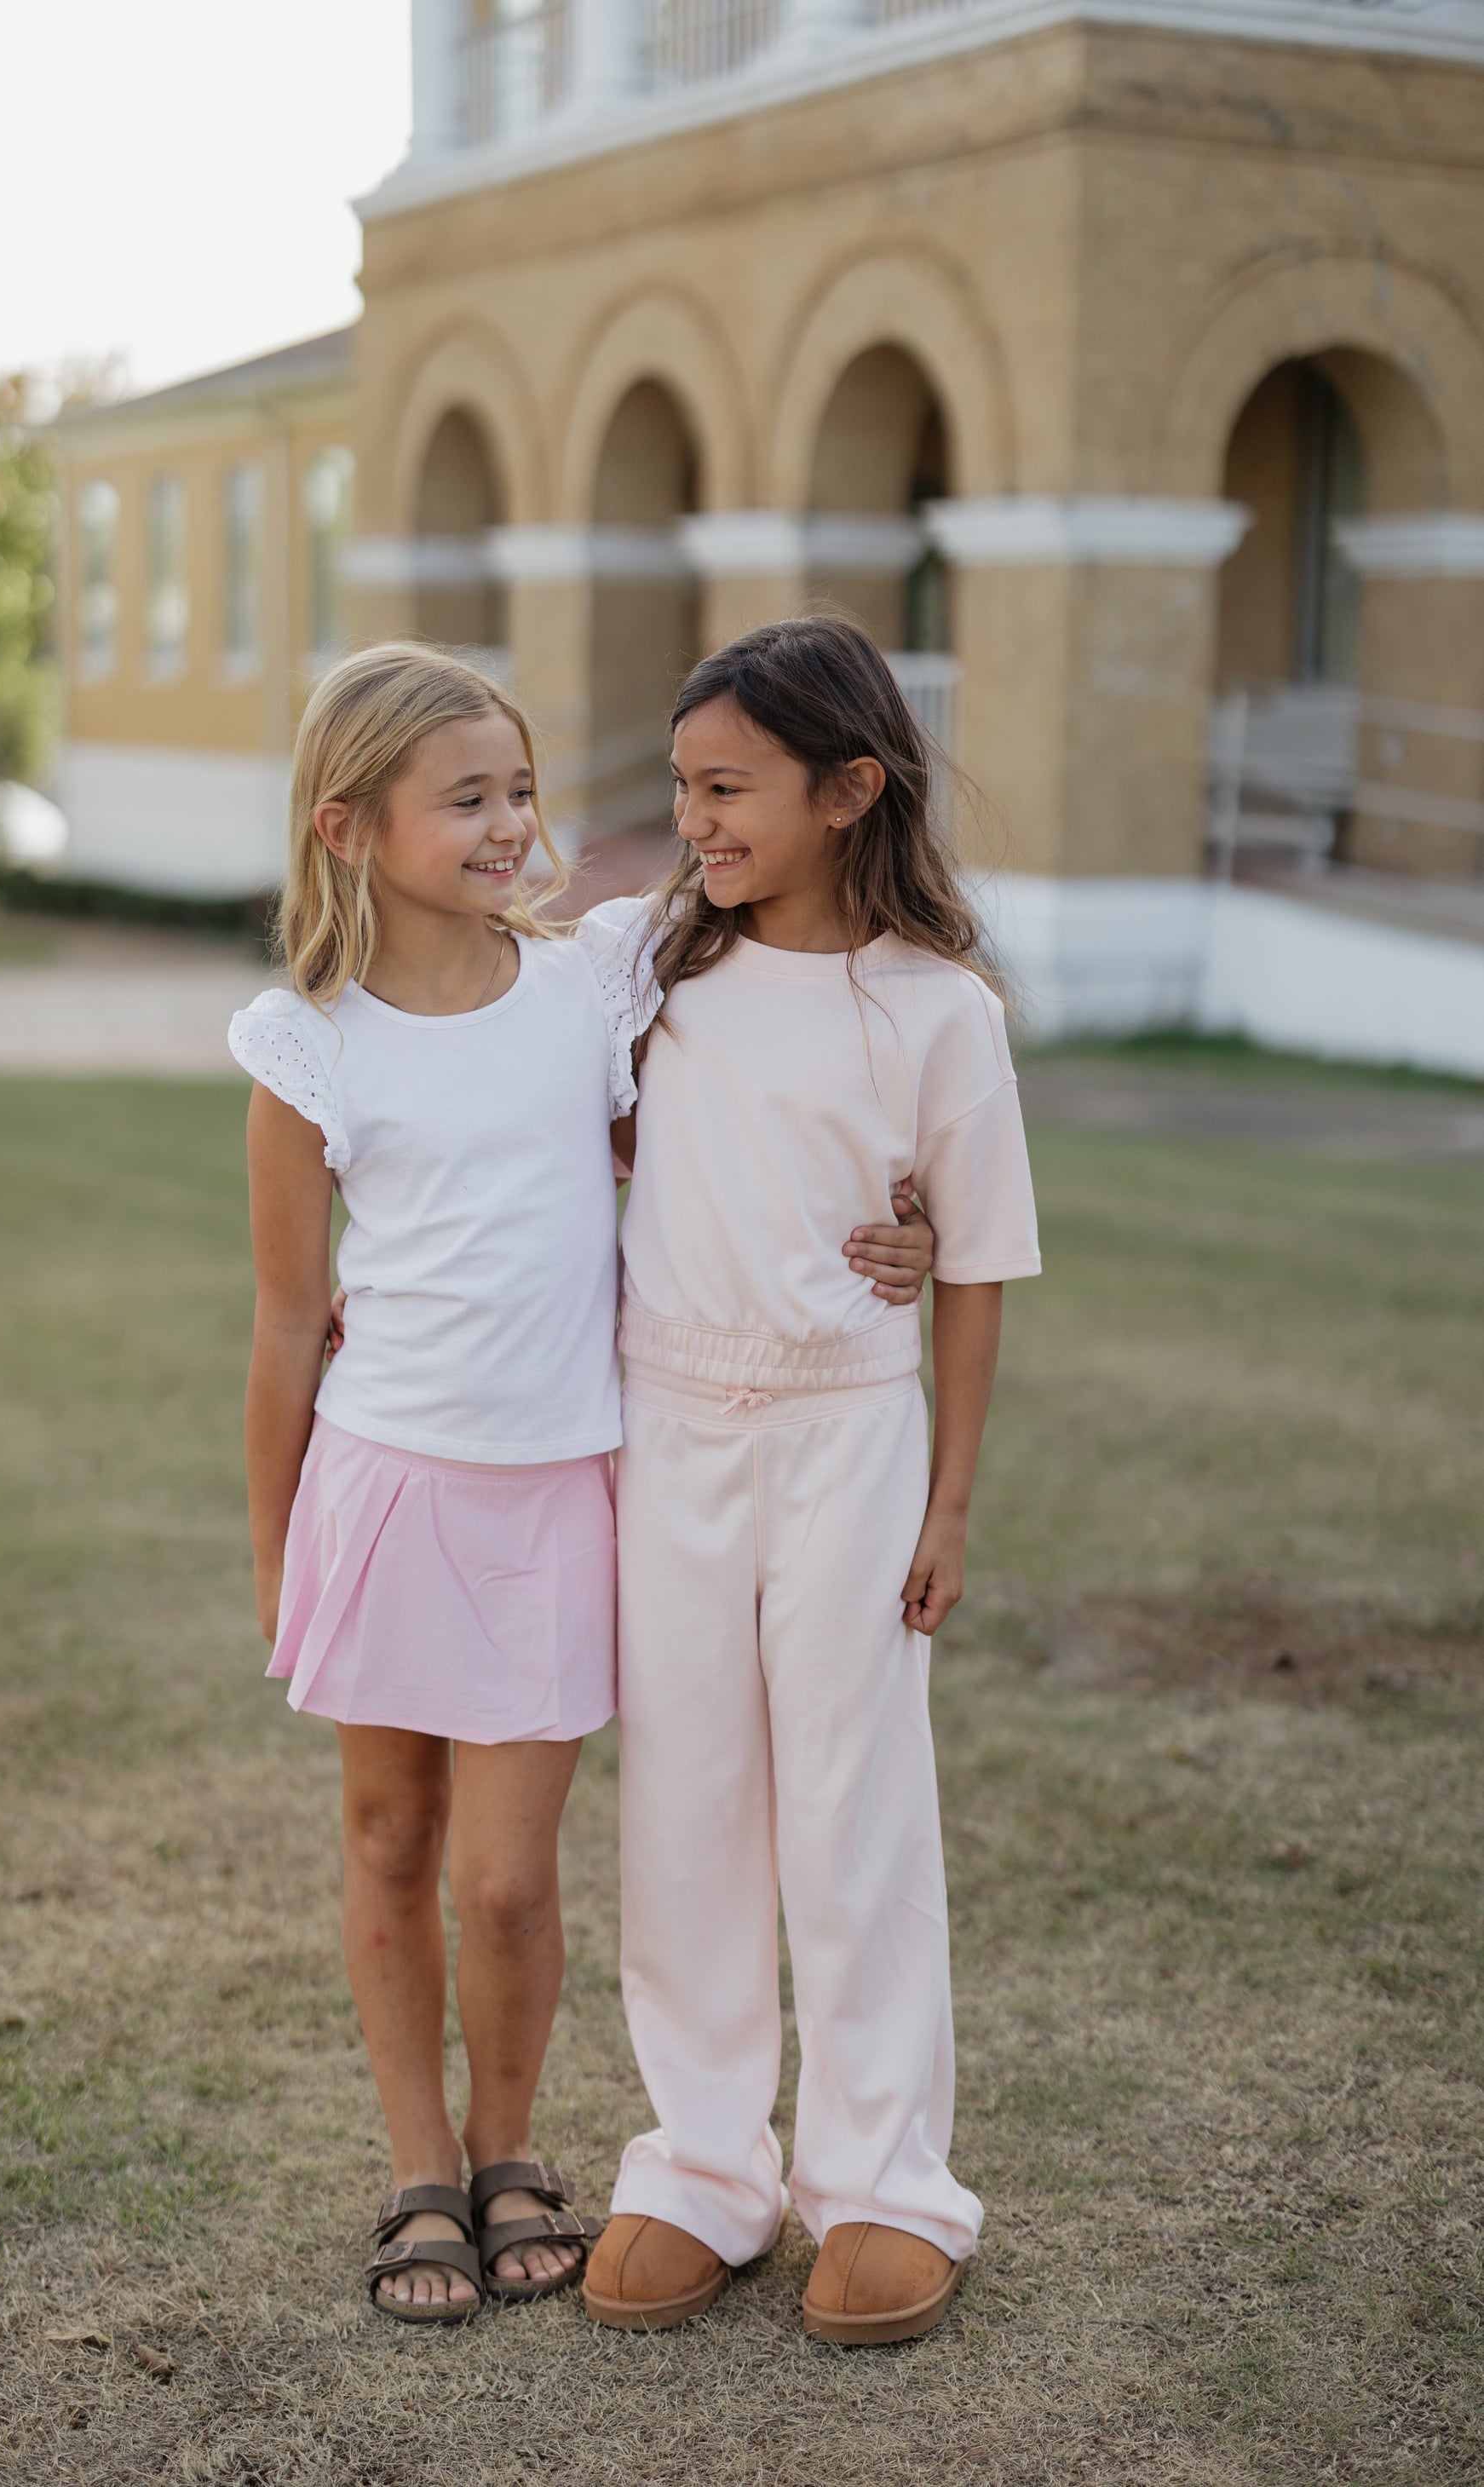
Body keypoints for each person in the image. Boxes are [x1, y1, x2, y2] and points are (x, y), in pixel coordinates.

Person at [229, 642, 938, 2326]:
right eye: (466, 797)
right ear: (349, 825)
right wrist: (277, 1556)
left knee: (508, 1875)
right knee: (389, 1836)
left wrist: (896, 1213)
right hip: (385, 1487)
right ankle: (419, 2164)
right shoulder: (304, 1040)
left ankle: (506, 2146)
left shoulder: (592, 983)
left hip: (559, 1493)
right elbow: (279, 1323)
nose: (509, 824)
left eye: (518, 789)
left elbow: (732, 1113)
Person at [578, 616, 1041, 2348]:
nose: (694, 818)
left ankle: (880, 2180)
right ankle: (703, 2161)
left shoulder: (938, 1009)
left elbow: (976, 1255)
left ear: (849, 789)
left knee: (850, 1808)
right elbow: (538, 1110)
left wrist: (950, 1503)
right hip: (667, 1428)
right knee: (686, 1802)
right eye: (684, 785)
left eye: (727, 787)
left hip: (852, 1435)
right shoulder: (650, 970)